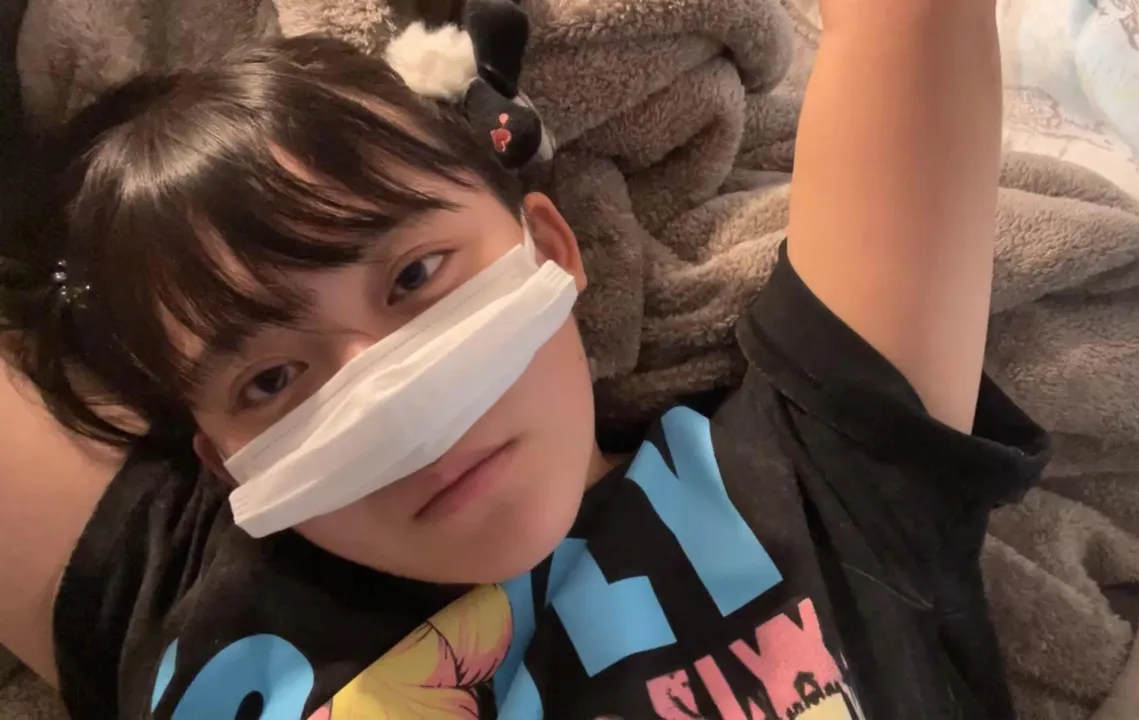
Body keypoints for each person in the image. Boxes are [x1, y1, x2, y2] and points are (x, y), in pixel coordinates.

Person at [0, 0, 1048, 718]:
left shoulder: (819, 479)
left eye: (414, 276)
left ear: (551, 248)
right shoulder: (185, 597)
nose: (402, 410)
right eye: (271, 380)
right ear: (226, 465)